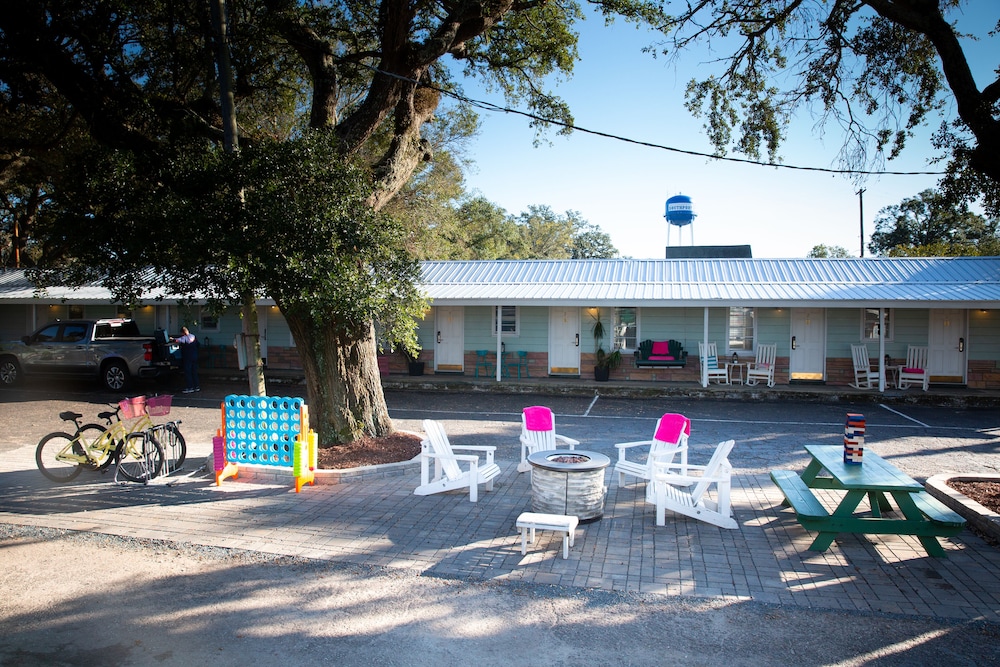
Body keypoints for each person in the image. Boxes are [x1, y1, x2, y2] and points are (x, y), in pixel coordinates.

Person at [171, 326, 200, 393]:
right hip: (194, 356)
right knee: (194, 371)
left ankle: (190, 387)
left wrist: (172, 339)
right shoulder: (193, 336)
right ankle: (197, 386)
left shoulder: (184, 338)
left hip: (188, 357)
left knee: (188, 372)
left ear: (182, 332)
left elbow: (176, 340)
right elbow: (198, 344)